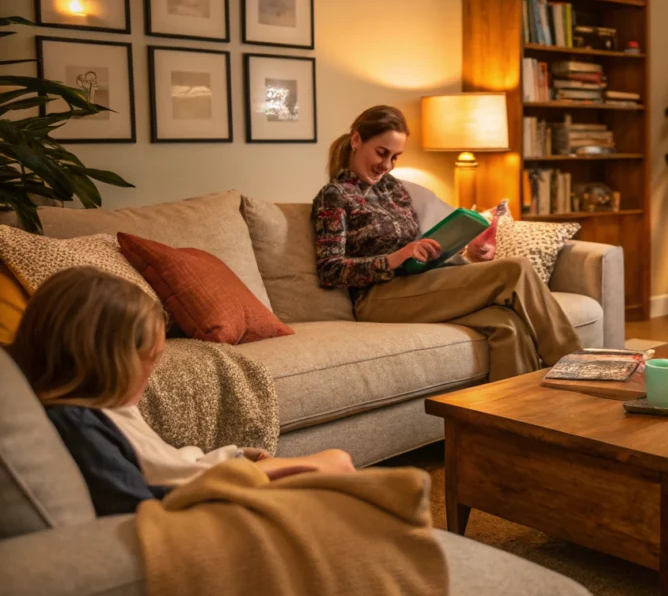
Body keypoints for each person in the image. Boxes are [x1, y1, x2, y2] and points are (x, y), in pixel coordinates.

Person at [10, 266, 355, 517]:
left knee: (339, 467)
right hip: (201, 500)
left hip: (212, 479)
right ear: (105, 360)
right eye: (149, 359)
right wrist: (239, 476)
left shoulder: (110, 408)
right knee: (337, 465)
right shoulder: (79, 422)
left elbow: (166, 461)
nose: (153, 371)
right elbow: (139, 502)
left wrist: (236, 456)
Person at [312, 105, 582, 380]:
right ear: (356, 140)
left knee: (507, 323)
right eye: (382, 153)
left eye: (395, 157)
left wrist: (444, 249)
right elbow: (330, 269)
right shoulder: (334, 196)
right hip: (377, 297)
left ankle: (515, 416)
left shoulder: (394, 188)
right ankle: (576, 369)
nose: (387, 165)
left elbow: (415, 244)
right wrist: (395, 258)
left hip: (419, 283)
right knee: (516, 269)